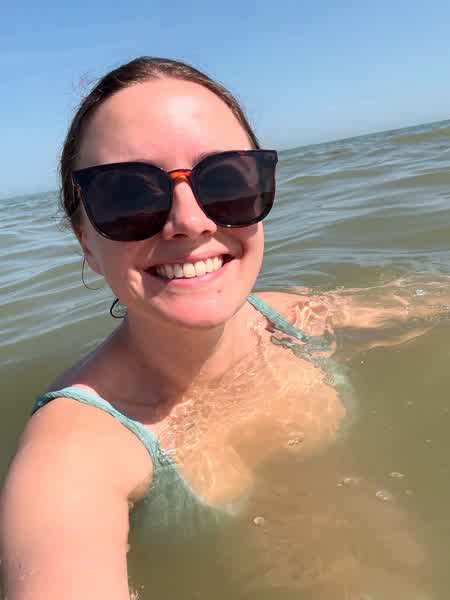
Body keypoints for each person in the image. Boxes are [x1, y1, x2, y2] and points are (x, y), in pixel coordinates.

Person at [1, 57, 445, 600]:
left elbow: (430, 301)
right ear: (86, 243)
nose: (190, 221)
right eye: (128, 197)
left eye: (226, 180)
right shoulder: (77, 448)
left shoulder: (293, 319)